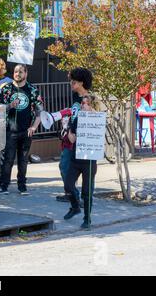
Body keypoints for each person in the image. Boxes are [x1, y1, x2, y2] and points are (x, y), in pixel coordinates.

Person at [0, 64, 43, 195]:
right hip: (10, 130)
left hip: (26, 130)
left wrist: (34, 126)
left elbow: (40, 111)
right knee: (8, 160)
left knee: (23, 161)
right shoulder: (6, 89)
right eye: (16, 72)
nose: (18, 74)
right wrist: (10, 105)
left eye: (21, 72)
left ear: (26, 73)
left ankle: (22, 186)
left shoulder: (32, 90)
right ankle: (4, 185)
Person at [63, 94, 100, 230]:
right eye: (82, 103)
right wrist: (67, 129)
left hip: (89, 161)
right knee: (68, 185)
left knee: (86, 191)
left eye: (86, 103)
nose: (83, 105)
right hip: (76, 158)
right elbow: (72, 139)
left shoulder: (97, 120)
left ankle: (87, 219)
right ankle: (75, 207)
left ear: (92, 106)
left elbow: (99, 138)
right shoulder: (78, 118)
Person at [56, 68, 93, 203]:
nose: (71, 83)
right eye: (71, 81)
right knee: (64, 165)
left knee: (84, 170)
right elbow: (75, 113)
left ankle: (81, 198)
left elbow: (91, 118)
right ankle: (71, 193)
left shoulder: (89, 98)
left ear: (81, 83)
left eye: (74, 82)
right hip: (70, 135)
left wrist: (76, 132)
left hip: (83, 138)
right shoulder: (75, 96)